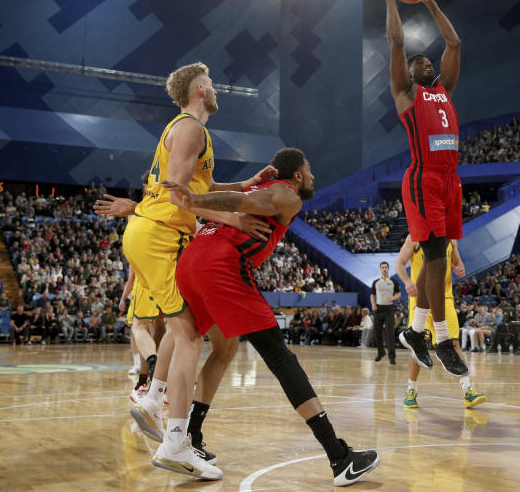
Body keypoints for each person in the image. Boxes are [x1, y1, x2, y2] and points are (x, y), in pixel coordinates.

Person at [159, 148, 379, 484]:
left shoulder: (254, 188)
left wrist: (196, 200)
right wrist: (199, 197)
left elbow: (235, 199)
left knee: (224, 348)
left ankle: (192, 436)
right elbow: (255, 203)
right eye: (310, 170)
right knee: (280, 355)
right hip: (220, 267)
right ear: (297, 176)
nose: (313, 177)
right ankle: (339, 457)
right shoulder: (287, 195)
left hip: (190, 264)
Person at [96, 62, 276, 462]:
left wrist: (243, 187)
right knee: (191, 335)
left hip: (155, 232)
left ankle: (151, 403)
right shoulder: (191, 128)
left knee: (186, 328)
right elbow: (179, 197)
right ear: (198, 90)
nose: (216, 90)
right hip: (160, 235)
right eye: (210, 84)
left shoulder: (192, 132)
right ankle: (175, 441)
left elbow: (203, 188)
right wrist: (231, 217)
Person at [386, 0, 467, 377]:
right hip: (423, 179)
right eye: (416, 61)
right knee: (434, 256)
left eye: (425, 60)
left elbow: (454, 42)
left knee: (437, 261)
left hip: (450, 181)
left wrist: (431, 0)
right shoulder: (405, 94)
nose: (423, 61)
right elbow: (397, 41)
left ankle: (417, 331)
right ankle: (440, 338)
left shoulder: (444, 90)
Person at [395, 234, 485, 410]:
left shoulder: (451, 239)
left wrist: (459, 267)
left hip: (445, 298)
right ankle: (411, 390)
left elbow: (457, 262)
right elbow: (399, 263)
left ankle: (468, 390)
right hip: (420, 299)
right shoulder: (414, 237)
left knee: (454, 343)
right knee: (417, 345)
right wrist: (407, 282)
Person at [371, 262, 401, 364]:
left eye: (386, 267)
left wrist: (393, 298)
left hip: (389, 309)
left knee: (390, 333)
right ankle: (381, 353)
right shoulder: (376, 282)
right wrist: (373, 304)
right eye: (382, 267)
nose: (384, 269)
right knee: (376, 332)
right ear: (380, 269)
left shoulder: (393, 281)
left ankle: (392, 357)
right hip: (378, 309)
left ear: (388, 269)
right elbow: (372, 295)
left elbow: (399, 293)